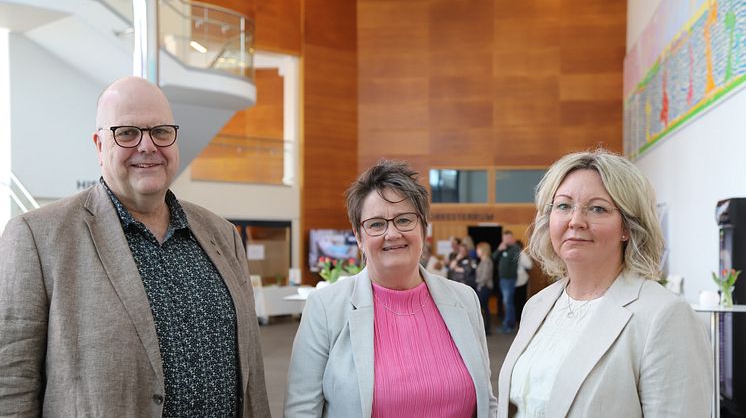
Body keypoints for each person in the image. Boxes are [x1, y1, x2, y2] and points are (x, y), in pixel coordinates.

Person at [0, 77, 270, 417]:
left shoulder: (223, 235)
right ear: (100, 145)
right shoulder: (38, 238)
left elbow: (252, 379)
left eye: (160, 131)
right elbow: (10, 383)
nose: (148, 145)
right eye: (127, 133)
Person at [497, 149, 713, 417]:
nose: (576, 221)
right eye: (564, 205)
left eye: (597, 208)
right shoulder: (538, 305)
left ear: (627, 227)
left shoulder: (664, 315)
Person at [285, 160, 497, 417]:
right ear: (359, 237)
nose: (392, 233)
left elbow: (487, 401)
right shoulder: (325, 308)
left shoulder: (464, 299)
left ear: (424, 228)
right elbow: (301, 411)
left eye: (404, 220)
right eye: (376, 224)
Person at [493, 230, 520, 333]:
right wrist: (499, 250)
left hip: (509, 280)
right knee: (508, 302)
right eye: (504, 238)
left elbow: (514, 264)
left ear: (512, 238)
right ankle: (511, 324)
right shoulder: (503, 249)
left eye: (508, 238)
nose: (506, 240)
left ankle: (508, 325)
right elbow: (493, 258)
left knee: (507, 303)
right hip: (503, 280)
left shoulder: (515, 249)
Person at [475, 241, 495, 335]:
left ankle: (486, 329)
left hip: (484, 287)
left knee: (482, 308)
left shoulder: (487, 261)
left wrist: (479, 285)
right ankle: (486, 328)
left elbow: (485, 276)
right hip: (483, 286)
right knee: (485, 308)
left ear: (483, 250)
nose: (476, 251)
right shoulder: (483, 260)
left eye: (478, 249)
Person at [514, 240, 533, 323]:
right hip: (519, 280)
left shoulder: (521, 254)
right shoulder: (521, 254)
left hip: (520, 281)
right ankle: (519, 318)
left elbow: (529, 265)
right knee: (519, 300)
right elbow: (529, 265)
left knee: (519, 300)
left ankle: (519, 318)